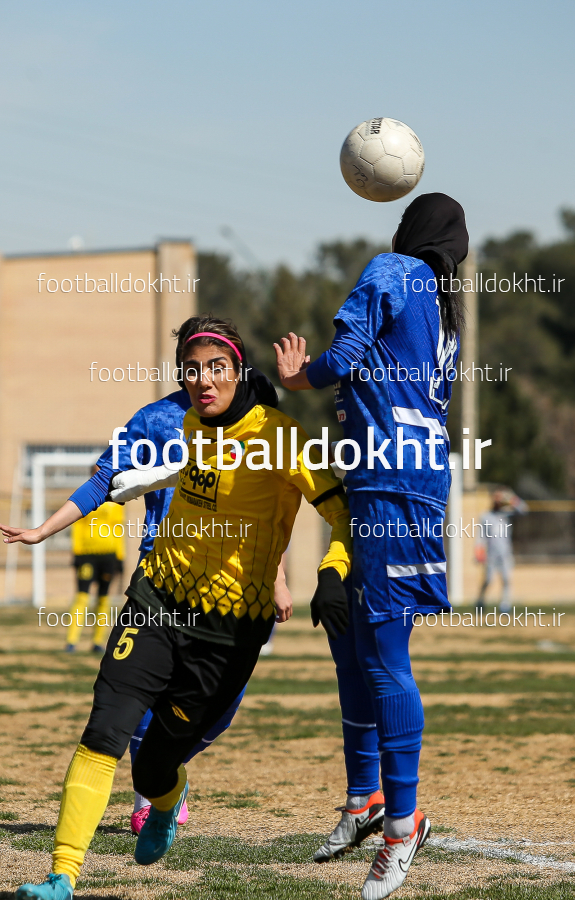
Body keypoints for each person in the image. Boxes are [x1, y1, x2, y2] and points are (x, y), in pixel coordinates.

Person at [6, 315, 351, 900]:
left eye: (216, 368)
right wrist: (44, 529)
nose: (202, 380)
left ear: (239, 371)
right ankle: (61, 876)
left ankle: (165, 799)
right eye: (191, 370)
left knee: (155, 766)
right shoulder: (182, 423)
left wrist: (332, 573)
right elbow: (115, 479)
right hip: (156, 598)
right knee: (105, 729)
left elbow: (338, 512)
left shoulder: (283, 439)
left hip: (229, 629)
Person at [275, 193, 469, 900]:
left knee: (384, 656)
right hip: (409, 479)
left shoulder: (392, 272)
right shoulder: (445, 307)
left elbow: (345, 356)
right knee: (358, 641)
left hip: (389, 482)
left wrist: (301, 377)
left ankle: (402, 827)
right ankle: (369, 801)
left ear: (407, 232)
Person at [65, 469, 125, 654]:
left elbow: (119, 529)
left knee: (103, 598)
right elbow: (77, 525)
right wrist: (76, 552)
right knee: (82, 596)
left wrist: (120, 556)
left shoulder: (118, 499)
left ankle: (98, 641)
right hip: (87, 554)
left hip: (108, 555)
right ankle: (72, 641)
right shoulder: (86, 494)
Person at [475, 487, 527, 613]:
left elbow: (524, 510)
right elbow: (481, 536)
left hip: (505, 553)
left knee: (506, 579)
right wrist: (479, 551)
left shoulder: (507, 514)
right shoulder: (486, 516)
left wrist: (511, 499)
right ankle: (480, 601)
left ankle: (505, 606)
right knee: (488, 580)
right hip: (491, 554)